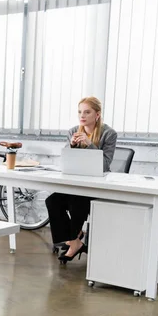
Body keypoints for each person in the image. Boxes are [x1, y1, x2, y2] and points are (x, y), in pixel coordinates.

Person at [45, 96, 117, 263]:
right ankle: (75, 240)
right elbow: (66, 161)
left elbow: (105, 165)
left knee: (76, 202)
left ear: (97, 115)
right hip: (75, 184)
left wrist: (90, 144)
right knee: (52, 201)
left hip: (96, 187)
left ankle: (73, 240)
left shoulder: (108, 134)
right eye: (79, 112)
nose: (82, 116)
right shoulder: (73, 131)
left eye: (87, 112)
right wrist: (71, 146)